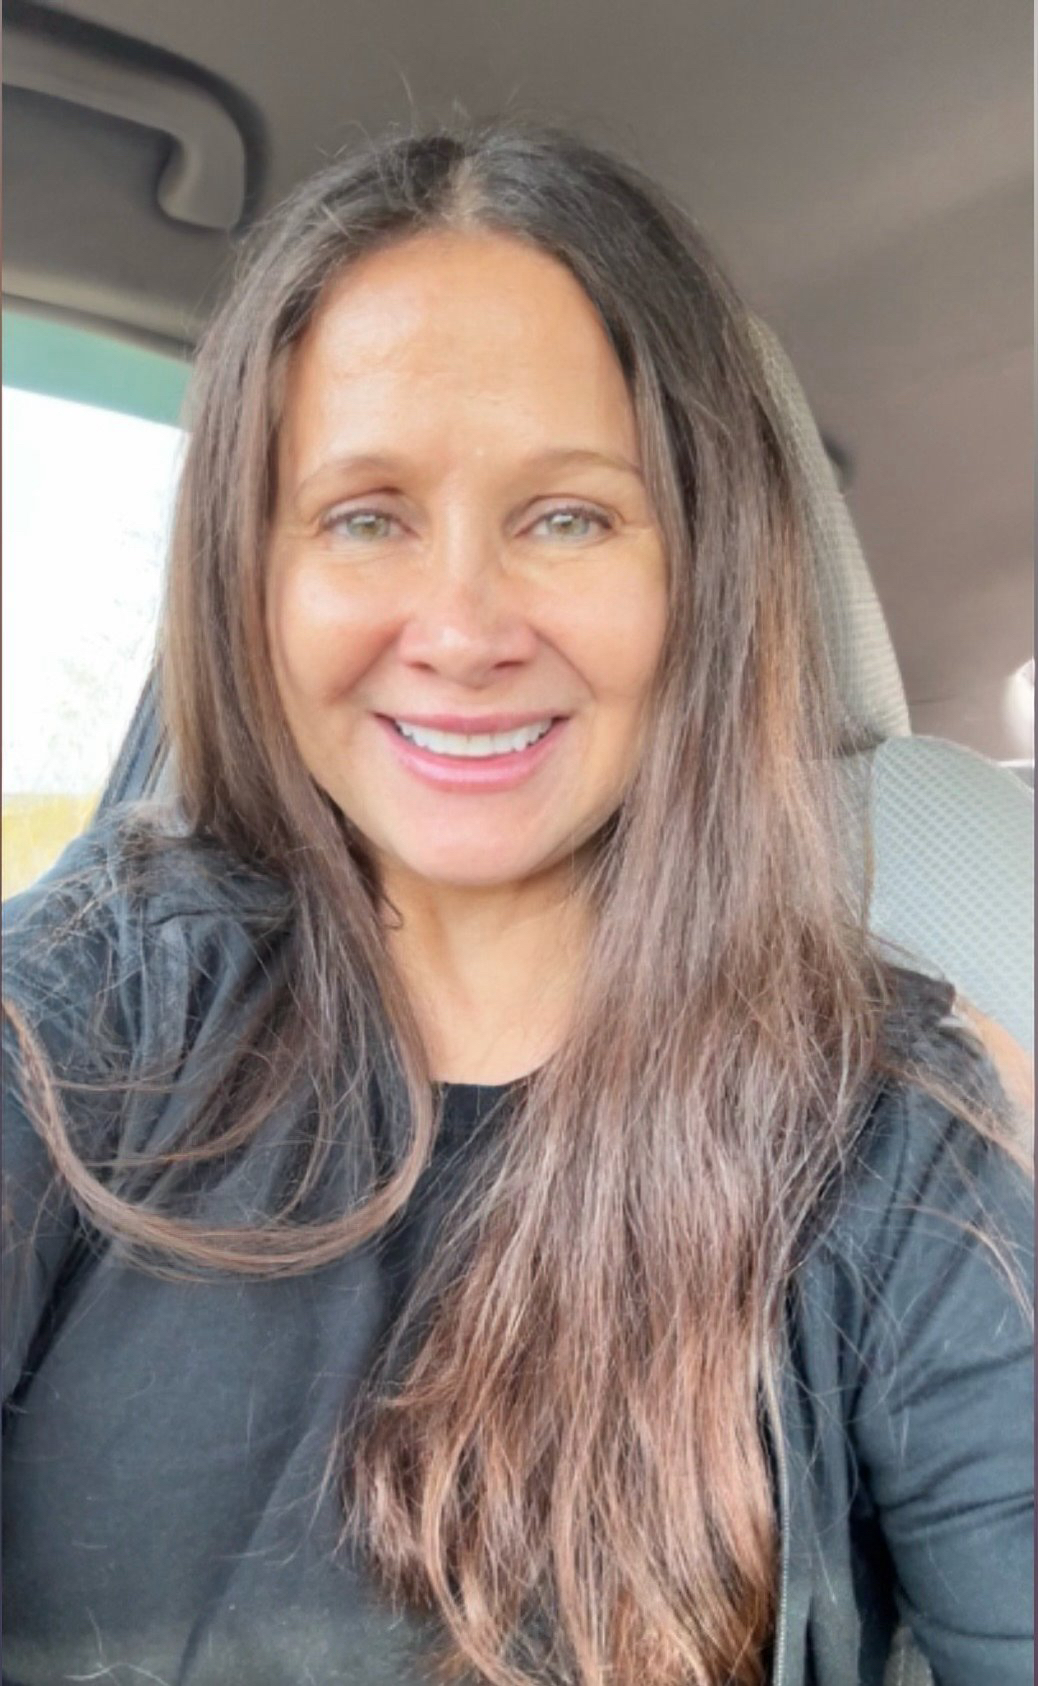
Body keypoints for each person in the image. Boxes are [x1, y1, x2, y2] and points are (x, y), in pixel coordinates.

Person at [2, 121, 1032, 1686]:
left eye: (566, 517)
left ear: (699, 574)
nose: (462, 626)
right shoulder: (88, 1015)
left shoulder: (890, 1138)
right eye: (365, 515)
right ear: (251, 575)